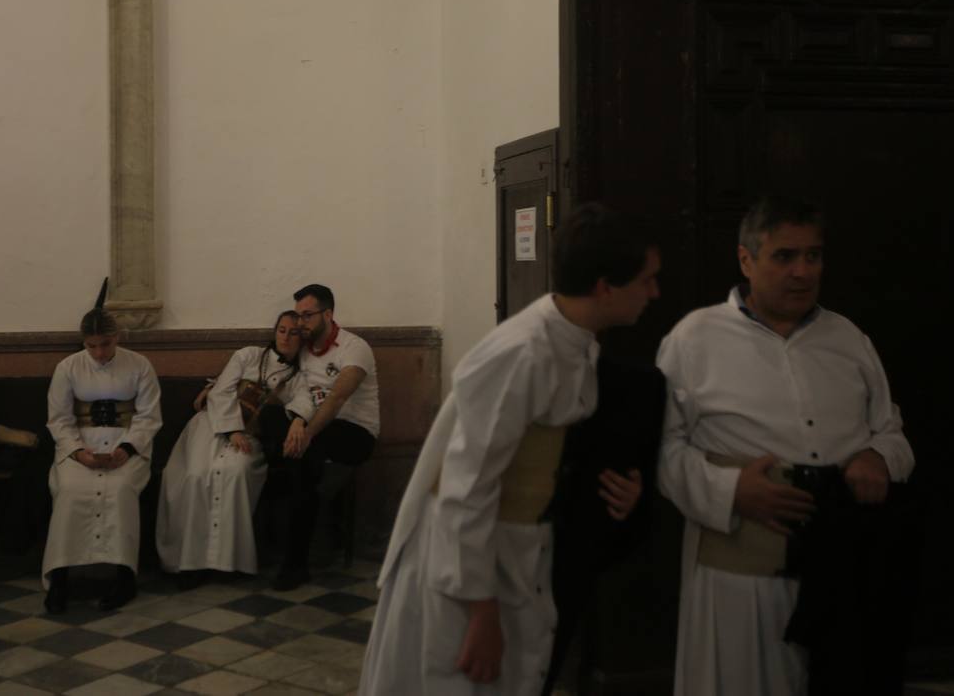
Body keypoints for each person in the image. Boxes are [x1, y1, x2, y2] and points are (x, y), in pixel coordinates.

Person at [359, 202, 660, 695]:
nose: (655, 292)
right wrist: (481, 610)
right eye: (647, 280)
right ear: (606, 286)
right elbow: (466, 487)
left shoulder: (577, 341)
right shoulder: (521, 353)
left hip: (518, 547)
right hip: (468, 561)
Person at [655, 196, 915, 695]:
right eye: (784, 256)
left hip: (841, 569)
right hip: (741, 568)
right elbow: (663, 448)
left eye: (813, 256)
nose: (802, 271)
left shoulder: (848, 339)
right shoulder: (695, 339)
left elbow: (891, 431)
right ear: (746, 260)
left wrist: (877, 457)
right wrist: (731, 491)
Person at [155, 310, 303, 587]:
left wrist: (294, 420)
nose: (285, 337)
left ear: (302, 336)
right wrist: (231, 429)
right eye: (281, 330)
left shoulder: (300, 374)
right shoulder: (248, 355)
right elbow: (222, 390)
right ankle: (190, 561)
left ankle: (227, 561)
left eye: (293, 332)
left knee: (235, 471)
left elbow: (300, 406)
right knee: (197, 475)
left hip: (251, 436)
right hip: (211, 426)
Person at [43, 308, 162, 613]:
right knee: (70, 490)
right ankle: (60, 578)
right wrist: (78, 451)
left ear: (117, 337)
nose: (99, 353)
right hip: (80, 444)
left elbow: (149, 416)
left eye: (105, 344)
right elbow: (59, 419)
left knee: (120, 489)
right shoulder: (68, 367)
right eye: (91, 345)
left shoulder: (140, 365)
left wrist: (128, 448)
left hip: (127, 442)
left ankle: (124, 577)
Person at [263, 284, 380, 590]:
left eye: (307, 315)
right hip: (315, 426)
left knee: (301, 462)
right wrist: (298, 421)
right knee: (270, 420)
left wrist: (306, 432)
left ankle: (295, 564)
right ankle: (286, 550)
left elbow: (337, 398)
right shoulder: (304, 349)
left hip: (354, 431)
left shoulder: (354, 348)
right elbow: (289, 382)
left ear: (327, 314)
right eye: (298, 316)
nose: (300, 323)